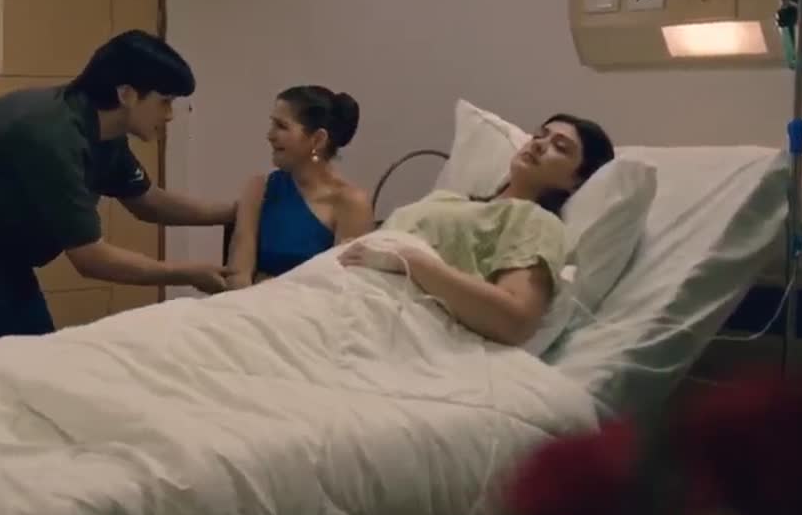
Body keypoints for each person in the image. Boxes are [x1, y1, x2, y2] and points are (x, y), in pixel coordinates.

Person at [0, 30, 235, 347]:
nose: (170, 115)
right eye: (165, 102)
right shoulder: (53, 136)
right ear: (126, 94)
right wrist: (186, 273)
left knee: (34, 351)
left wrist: (233, 212)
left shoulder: (104, 132)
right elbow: (91, 258)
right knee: (4, 360)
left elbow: (147, 201)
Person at [339, 113, 614, 345]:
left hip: (384, 318)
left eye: (560, 147)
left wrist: (411, 261)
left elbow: (515, 321)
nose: (540, 144)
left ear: (576, 181)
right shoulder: (448, 199)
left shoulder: (536, 221)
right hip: (343, 288)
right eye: (539, 135)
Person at [225, 86, 374, 289]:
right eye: (272, 124)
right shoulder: (259, 188)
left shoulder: (351, 203)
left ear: (318, 139)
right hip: (252, 302)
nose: (270, 135)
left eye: (281, 126)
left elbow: (345, 287)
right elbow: (238, 274)